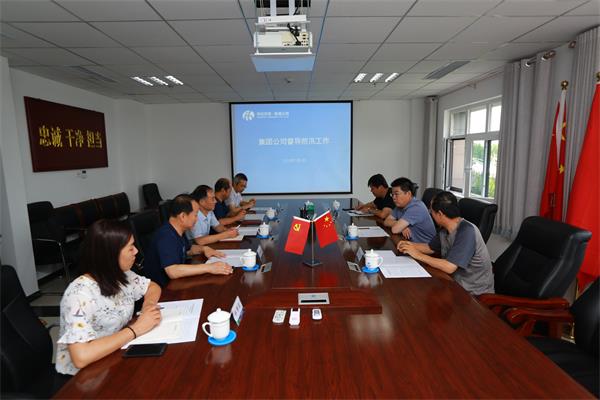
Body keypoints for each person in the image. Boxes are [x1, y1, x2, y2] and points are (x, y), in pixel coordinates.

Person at [56, 220, 162, 375]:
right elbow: (81, 357)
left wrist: (148, 305)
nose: (136, 251)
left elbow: (152, 287)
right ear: (111, 254)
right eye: (130, 247)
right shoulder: (79, 295)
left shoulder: (120, 275)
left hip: (114, 354)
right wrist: (136, 329)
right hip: (84, 376)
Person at [397, 191, 494, 295]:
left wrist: (418, 255)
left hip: (474, 294)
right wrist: (409, 245)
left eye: (431, 211)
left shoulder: (467, 231)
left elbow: (450, 267)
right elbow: (430, 248)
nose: (430, 213)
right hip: (454, 284)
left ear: (440, 214)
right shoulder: (445, 229)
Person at [143, 194, 233, 287]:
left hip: (176, 283)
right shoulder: (166, 236)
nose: (197, 219)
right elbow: (172, 271)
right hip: (163, 289)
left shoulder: (178, 230)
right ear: (183, 216)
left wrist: (204, 249)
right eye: (195, 215)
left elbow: (188, 249)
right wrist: (209, 267)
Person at [383, 177, 436, 242]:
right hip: (410, 242)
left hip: (425, 246)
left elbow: (395, 229)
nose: (393, 197)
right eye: (392, 194)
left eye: (396, 194)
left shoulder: (417, 207)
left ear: (408, 194)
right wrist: (401, 226)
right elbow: (386, 221)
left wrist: (399, 226)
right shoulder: (400, 206)